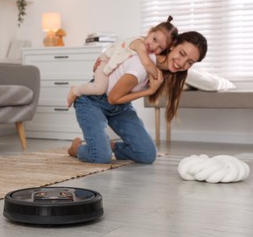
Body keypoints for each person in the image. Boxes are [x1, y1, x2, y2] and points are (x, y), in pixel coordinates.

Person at [68, 31, 208, 164]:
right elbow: (112, 98)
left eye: (190, 62)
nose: (182, 63)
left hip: (121, 107)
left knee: (147, 155)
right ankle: (77, 149)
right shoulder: (142, 65)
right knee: (101, 157)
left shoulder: (166, 71)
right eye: (181, 53)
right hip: (93, 101)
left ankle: (107, 146)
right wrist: (151, 90)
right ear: (172, 45)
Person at [67, 16, 178, 108]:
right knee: (100, 88)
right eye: (154, 39)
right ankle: (76, 90)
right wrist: (157, 77)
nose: (154, 46)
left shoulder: (150, 52)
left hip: (111, 64)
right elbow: (147, 63)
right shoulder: (140, 44)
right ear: (150, 32)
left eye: (160, 47)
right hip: (105, 61)